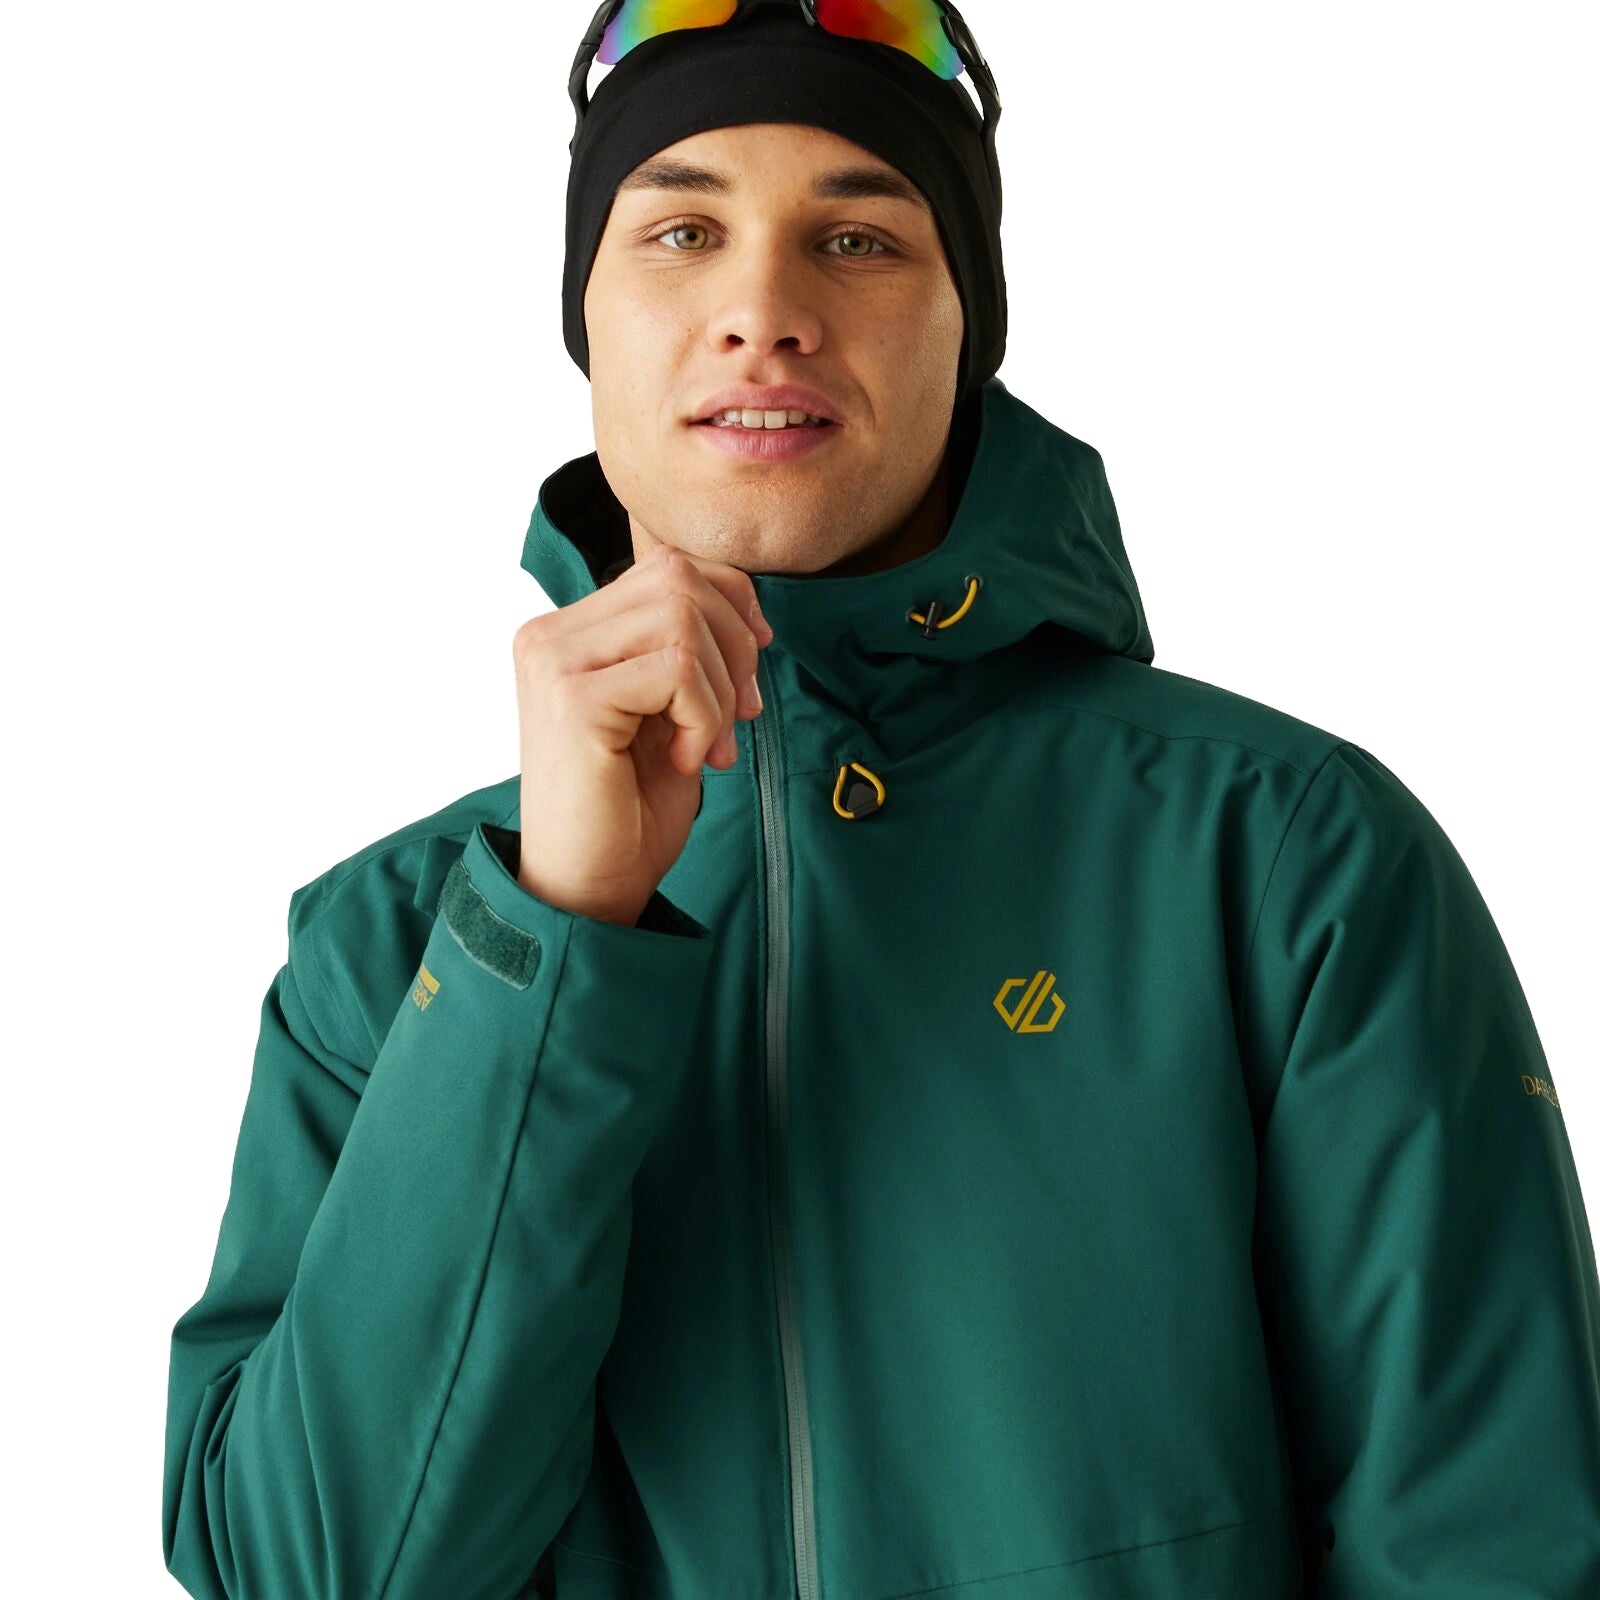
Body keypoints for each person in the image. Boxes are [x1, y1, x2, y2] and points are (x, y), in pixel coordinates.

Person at [162, 3, 1600, 1597]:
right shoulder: (394, 949)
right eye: (683, 231)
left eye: (856, 240)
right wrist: (552, 935)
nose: (762, 313)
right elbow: (313, 1575)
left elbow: (1492, 1541)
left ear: (967, 324)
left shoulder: (1281, 858)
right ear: (587, 317)